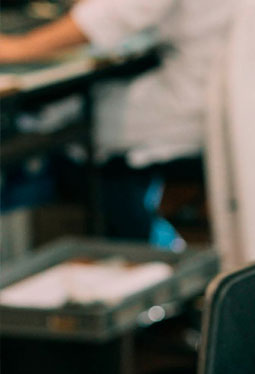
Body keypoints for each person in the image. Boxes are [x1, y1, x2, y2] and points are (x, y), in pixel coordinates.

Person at [0, 0, 238, 240]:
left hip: (195, 101)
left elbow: (109, 16)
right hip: (225, 89)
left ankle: (141, 246)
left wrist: (15, 48)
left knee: (64, 129)